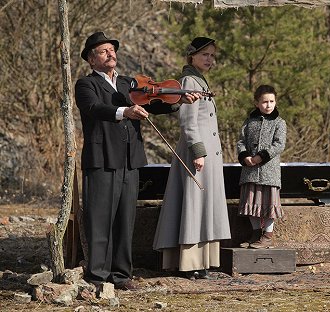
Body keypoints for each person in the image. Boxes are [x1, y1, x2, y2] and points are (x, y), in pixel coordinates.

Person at [75, 31, 200, 290]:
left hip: (130, 160)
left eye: (112, 50)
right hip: (101, 158)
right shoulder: (86, 85)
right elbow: (94, 109)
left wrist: (178, 100)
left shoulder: (127, 83)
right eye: (103, 51)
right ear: (91, 59)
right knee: (99, 220)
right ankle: (97, 276)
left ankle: (121, 275)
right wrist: (125, 111)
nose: (111, 54)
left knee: (125, 219)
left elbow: (153, 102)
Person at [152, 37, 231, 280]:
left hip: (208, 154)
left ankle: (203, 261)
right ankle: (190, 263)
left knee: (204, 206)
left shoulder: (199, 80)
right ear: (192, 56)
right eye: (205, 54)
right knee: (194, 205)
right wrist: (198, 152)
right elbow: (188, 121)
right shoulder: (188, 80)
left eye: (212, 55)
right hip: (197, 153)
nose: (210, 59)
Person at [237, 85, 287, 249]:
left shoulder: (280, 123)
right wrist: (245, 157)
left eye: (272, 101)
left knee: (268, 203)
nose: (268, 105)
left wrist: (261, 157)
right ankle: (256, 233)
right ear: (256, 103)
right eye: (264, 101)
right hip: (249, 170)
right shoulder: (249, 122)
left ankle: (267, 236)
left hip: (269, 172)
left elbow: (279, 145)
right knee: (251, 203)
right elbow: (241, 141)